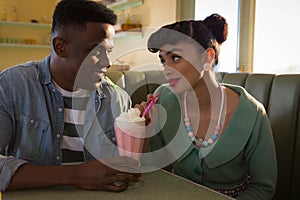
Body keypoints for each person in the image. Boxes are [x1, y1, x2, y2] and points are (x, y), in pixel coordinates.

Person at [0, 0, 140, 192]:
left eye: (108, 52)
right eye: (95, 52)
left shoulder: (118, 99)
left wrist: (140, 135)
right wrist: (75, 175)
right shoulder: (12, 87)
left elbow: (126, 167)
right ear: (60, 47)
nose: (107, 63)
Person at [137, 14, 277, 199]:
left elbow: (263, 188)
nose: (167, 69)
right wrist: (145, 132)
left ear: (207, 57)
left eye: (176, 57)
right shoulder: (162, 98)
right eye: (163, 60)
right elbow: (155, 168)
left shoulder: (252, 113)